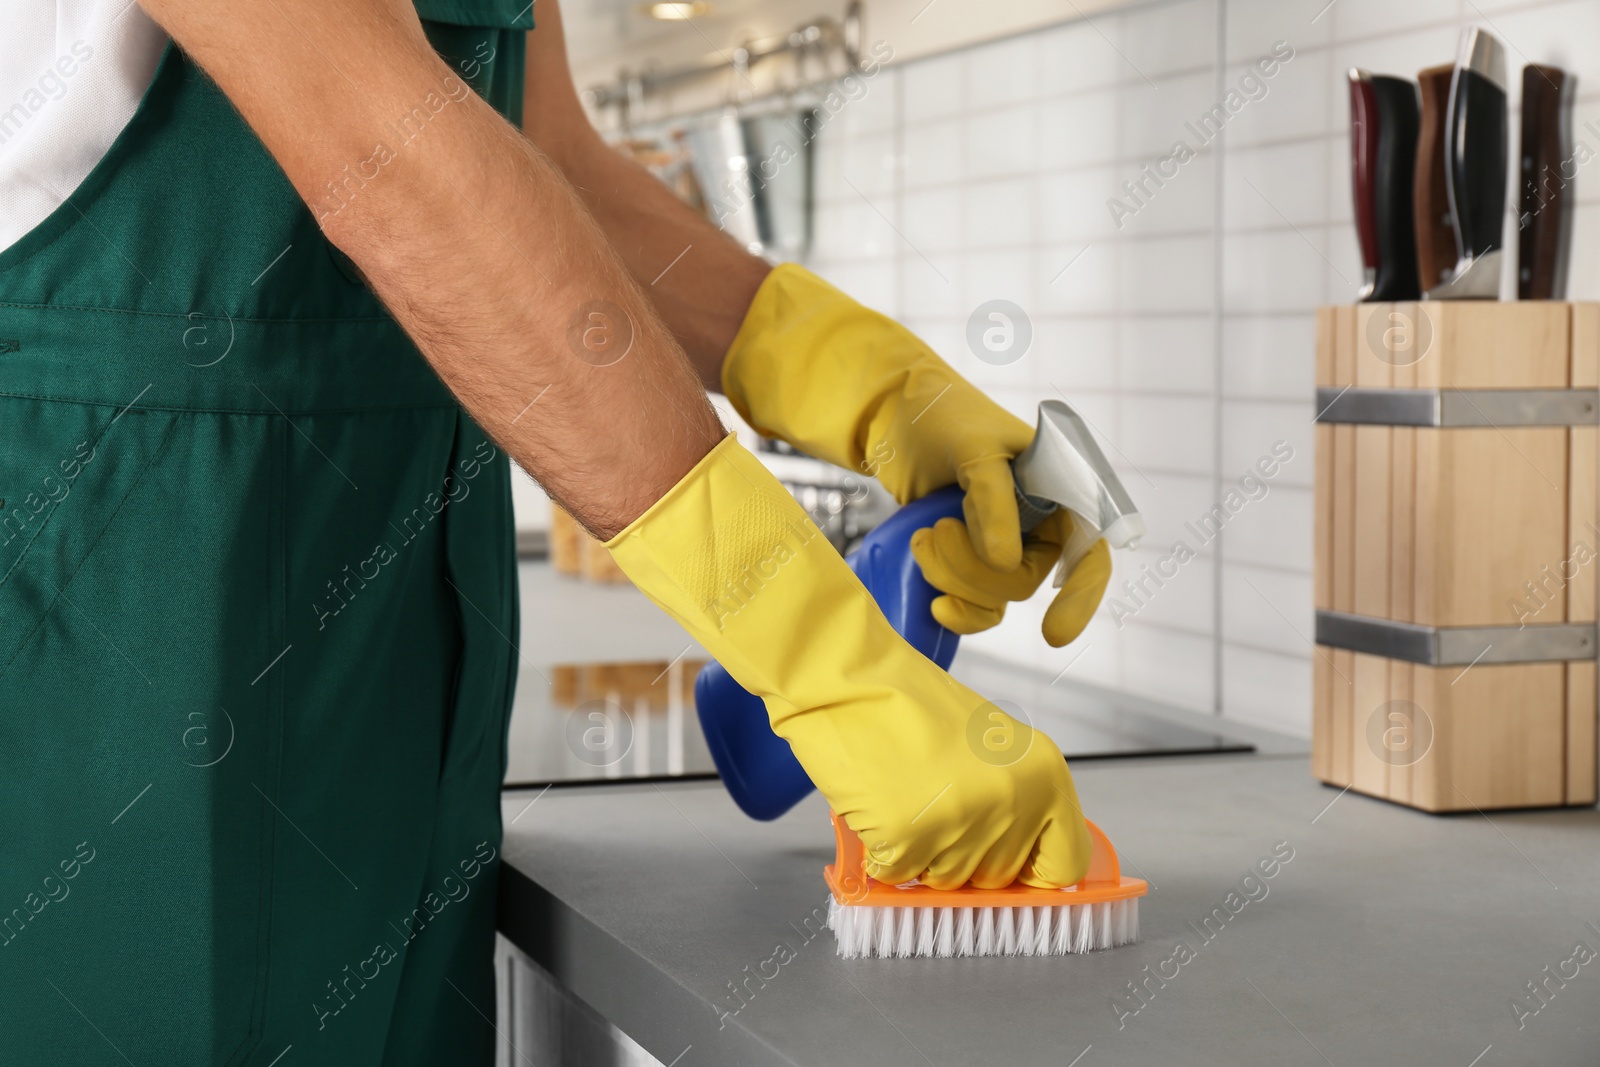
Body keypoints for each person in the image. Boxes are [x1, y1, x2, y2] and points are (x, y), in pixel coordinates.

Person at [0, 0, 1112, 1062]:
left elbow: (545, 158)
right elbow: (387, 151)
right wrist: (813, 648)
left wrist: (852, 377)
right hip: (133, 573)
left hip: (394, 613)